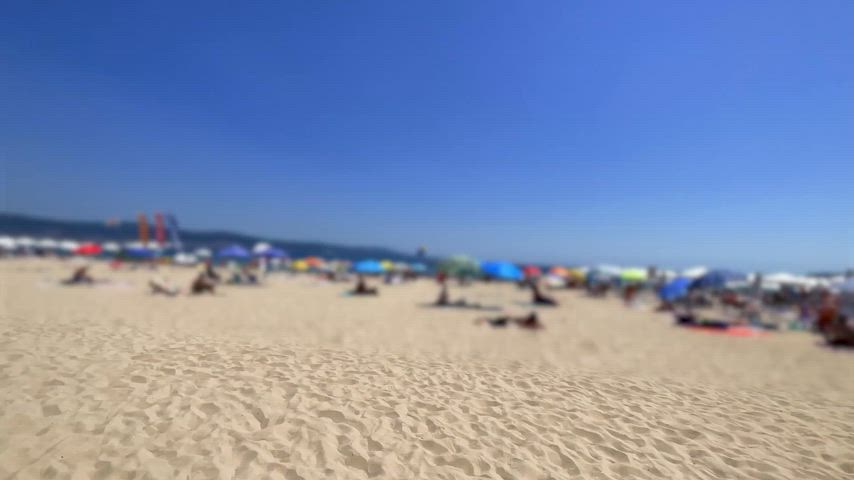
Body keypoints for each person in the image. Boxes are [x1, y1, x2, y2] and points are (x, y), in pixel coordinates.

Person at [476, 312, 543, 329]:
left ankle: (482, 320)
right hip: (507, 322)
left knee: (493, 321)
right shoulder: (526, 322)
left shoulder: (526, 321)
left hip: (508, 321)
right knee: (493, 322)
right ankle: (482, 320)